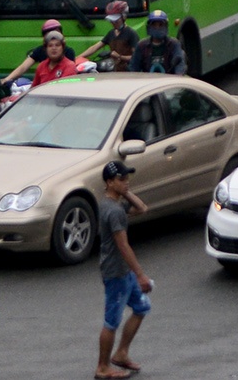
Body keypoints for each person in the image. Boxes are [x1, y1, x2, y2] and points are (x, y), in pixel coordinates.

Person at [96, 161, 154, 378]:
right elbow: (123, 245)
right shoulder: (114, 212)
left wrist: (126, 192)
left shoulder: (113, 205)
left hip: (123, 271)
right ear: (109, 182)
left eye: (127, 178)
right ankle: (102, 367)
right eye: (121, 179)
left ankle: (121, 354)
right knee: (111, 321)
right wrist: (140, 274)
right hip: (116, 272)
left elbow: (142, 208)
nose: (126, 182)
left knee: (141, 308)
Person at [132, 10, 187, 75]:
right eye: (154, 25)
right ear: (149, 28)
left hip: (169, 82)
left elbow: (180, 65)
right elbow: (133, 68)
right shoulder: (141, 45)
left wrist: (177, 77)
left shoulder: (173, 44)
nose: (157, 28)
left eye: (161, 25)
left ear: (166, 27)